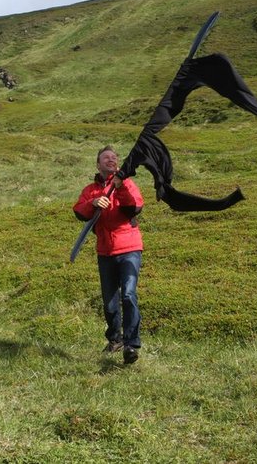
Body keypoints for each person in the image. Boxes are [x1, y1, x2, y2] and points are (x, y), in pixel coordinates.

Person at [73, 146, 145, 364]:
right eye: (106, 158)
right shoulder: (90, 190)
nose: (111, 160)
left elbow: (135, 206)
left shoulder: (127, 183)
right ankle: (115, 339)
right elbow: (79, 211)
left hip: (129, 247)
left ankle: (131, 344)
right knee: (110, 303)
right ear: (98, 164)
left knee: (128, 295)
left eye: (114, 158)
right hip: (105, 251)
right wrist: (93, 203)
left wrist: (119, 186)